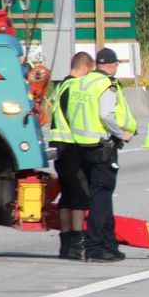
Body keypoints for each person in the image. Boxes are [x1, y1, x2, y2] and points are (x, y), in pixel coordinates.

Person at [67, 47, 137, 262]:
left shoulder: (82, 82)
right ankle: (96, 247)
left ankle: (109, 245)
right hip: (101, 146)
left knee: (101, 197)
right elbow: (106, 114)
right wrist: (121, 133)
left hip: (82, 146)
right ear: (113, 65)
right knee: (101, 198)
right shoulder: (107, 84)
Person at [49, 51, 95, 260]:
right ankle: (78, 242)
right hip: (72, 147)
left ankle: (66, 243)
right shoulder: (75, 87)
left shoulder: (60, 86)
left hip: (60, 147)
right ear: (84, 69)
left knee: (66, 197)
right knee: (79, 196)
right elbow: (76, 118)